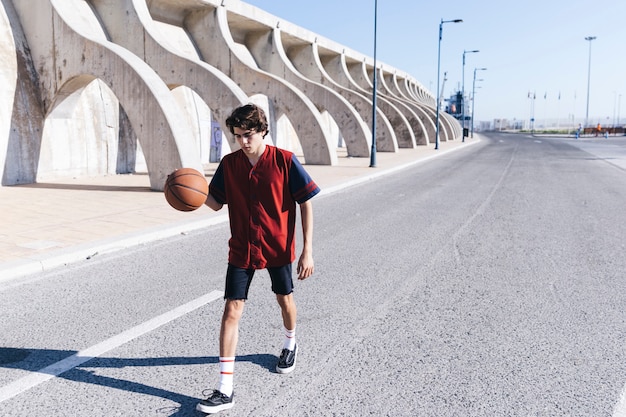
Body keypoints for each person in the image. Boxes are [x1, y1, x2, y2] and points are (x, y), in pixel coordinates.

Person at [197, 103, 320, 414]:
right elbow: (214, 203)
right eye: (237, 136)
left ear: (263, 131)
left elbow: (305, 202)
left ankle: (290, 343)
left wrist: (307, 250)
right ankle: (225, 390)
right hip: (242, 247)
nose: (243, 141)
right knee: (231, 310)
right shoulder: (229, 164)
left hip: (277, 246)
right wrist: (188, 190)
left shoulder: (285, 161)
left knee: (285, 299)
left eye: (248, 135)